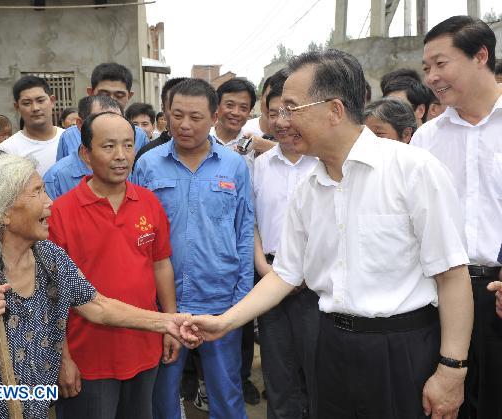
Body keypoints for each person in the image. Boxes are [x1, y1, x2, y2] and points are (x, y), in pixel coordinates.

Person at [182, 49, 474, 419]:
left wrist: (451, 370)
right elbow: (287, 273)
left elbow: (451, 275)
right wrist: (224, 322)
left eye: (291, 108)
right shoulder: (309, 187)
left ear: (335, 110)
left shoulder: (412, 170)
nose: (280, 121)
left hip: (402, 349)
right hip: (330, 345)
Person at [0, 153, 196, 419]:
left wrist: (169, 322)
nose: (49, 202)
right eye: (37, 192)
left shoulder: (49, 256)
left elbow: (98, 306)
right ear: (4, 214)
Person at [132, 78, 254, 419]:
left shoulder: (233, 166)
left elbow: (244, 232)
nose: (185, 125)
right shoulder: (147, 165)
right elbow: (135, 234)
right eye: (177, 114)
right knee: (163, 394)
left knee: (226, 392)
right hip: (163, 304)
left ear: (214, 117)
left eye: (196, 117)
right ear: (166, 114)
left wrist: (242, 298)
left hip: (220, 300)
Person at [50, 112, 177, 419]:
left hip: (144, 347)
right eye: (108, 146)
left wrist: (171, 324)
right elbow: (51, 294)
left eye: (128, 145)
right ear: (85, 154)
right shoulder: (61, 213)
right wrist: (62, 357)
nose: (121, 156)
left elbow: (161, 265)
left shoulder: (148, 202)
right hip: (88, 357)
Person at [412, 15, 502, 419]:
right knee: (447, 405)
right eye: (427, 68)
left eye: (440, 63)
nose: (431, 77)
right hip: (442, 298)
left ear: (480, 55)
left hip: (498, 294)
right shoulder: (426, 140)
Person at [253, 68, 319, 419]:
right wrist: (265, 269)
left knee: (317, 373)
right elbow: (251, 224)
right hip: (271, 278)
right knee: (278, 374)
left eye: (288, 111)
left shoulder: (325, 163)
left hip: (317, 285)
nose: (280, 121)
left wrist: (306, 274)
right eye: (272, 112)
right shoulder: (259, 165)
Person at [56, 63, 147, 161]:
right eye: (104, 95)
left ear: (129, 96)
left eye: (119, 95)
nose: (111, 100)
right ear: (90, 93)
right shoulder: (69, 136)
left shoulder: (140, 136)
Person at [43, 95, 122, 200]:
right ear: (80, 124)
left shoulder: (124, 168)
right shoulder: (55, 179)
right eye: (102, 121)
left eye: (118, 122)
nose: (111, 129)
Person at [0, 75, 64, 176]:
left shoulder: (70, 139)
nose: (35, 108)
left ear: (52, 101)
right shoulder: (7, 150)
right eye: (27, 103)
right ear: (17, 107)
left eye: (40, 101)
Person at [133, 77, 189, 166]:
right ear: (163, 109)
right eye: (176, 110)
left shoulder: (217, 151)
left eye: (193, 114)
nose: (185, 121)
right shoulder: (145, 156)